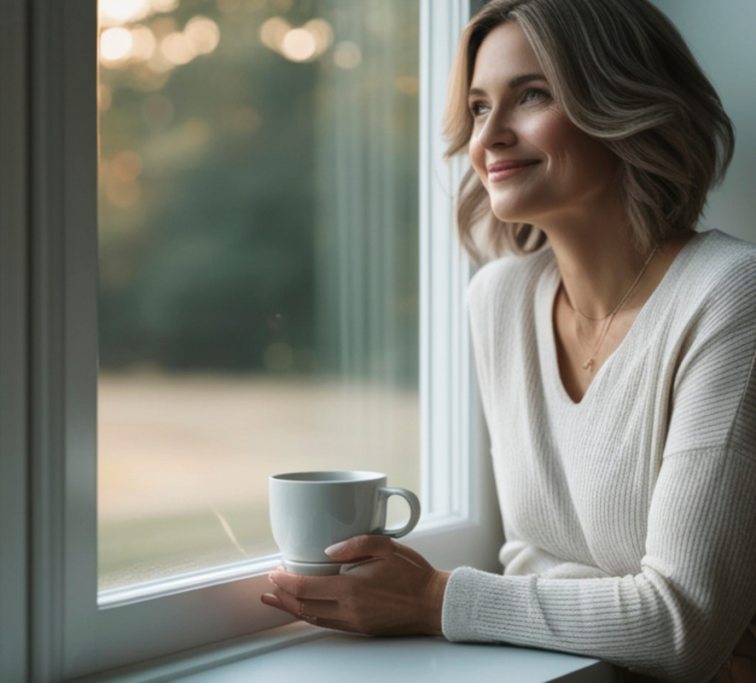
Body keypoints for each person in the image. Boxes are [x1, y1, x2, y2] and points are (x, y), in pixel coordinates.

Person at [260, 1, 756, 681]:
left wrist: (436, 597)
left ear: (622, 102)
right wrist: (623, 606)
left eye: (531, 94)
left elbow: (679, 625)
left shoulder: (729, 295)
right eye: (478, 105)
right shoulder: (498, 300)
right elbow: (532, 562)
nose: (489, 134)